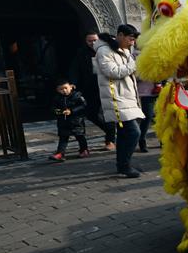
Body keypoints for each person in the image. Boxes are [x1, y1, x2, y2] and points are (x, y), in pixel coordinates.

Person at [96, 25, 145, 178]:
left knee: (124, 134)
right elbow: (113, 72)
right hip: (116, 98)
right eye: (130, 39)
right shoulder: (104, 51)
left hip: (128, 96)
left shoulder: (124, 50)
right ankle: (124, 165)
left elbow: (129, 72)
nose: (132, 43)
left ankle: (123, 164)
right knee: (133, 132)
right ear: (120, 35)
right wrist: (134, 63)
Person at [69, 31, 116, 150]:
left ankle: (110, 140)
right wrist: (73, 82)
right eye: (89, 40)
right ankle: (109, 131)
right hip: (90, 87)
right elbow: (75, 68)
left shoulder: (107, 50)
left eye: (95, 40)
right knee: (91, 113)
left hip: (107, 86)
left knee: (108, 113)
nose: (92, 43)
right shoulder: (82, 52)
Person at [48, 79, 89, 162]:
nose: (64, 91)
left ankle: (84, 150)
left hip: (77, 120)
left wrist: (72, 111)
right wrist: (60, 112)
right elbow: (52, 109)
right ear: (57, 90)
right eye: (61, 89)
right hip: (63, 121)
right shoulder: (57, 98)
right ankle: (60, 153)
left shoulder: (77, 95)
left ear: (71, 87)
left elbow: (84, 105)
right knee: (63, 138)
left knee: (80, 136)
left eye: (66, 88)